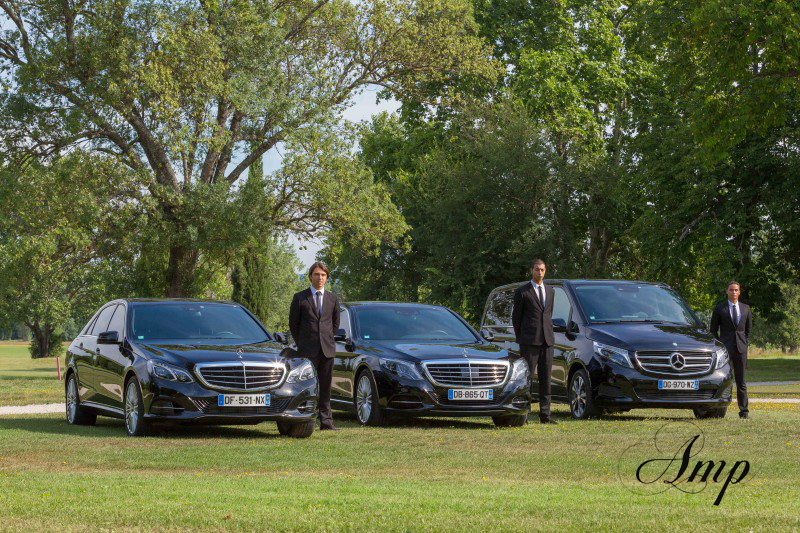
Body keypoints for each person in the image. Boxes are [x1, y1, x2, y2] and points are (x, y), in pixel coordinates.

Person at [289, 261, 341, 430]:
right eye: (317, 274)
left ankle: (326, 422)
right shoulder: (300, 298)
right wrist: (302, 344)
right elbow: (293, 325)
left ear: (327, 278)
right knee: (306, 386)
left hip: (327, 350)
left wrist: (328, 340)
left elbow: (334, 324)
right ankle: (303, 419)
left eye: (323, 275)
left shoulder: (332, 299)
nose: (320, 278)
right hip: (306, 351)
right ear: (310, 276)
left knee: (325, 387)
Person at [512, 258, 557, 424]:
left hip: (547, 341)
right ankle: (524, 415)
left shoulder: (551, 291)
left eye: (543, 270)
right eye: (537, 269)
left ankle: (545, 416)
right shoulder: (522, 292)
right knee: (527, 379)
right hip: (529, 342)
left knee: (546, 380)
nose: (540, 272)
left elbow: (548, 315)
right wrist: (522, 338)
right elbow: (516, 318)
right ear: (531, 270)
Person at [710, 280, 752, 419]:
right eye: (731, 290)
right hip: (725, 350)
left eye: (736, 290)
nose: (734, 292)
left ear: (739, 292)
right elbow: (713, 330)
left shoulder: (746, 308)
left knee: (741, 381)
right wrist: (721, 345)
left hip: (741, 349)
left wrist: (744, 343)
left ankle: (744, 412)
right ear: (727, 292)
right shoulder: (720, 309)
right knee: (723, 379)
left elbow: (748, 330)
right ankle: (718, 408)